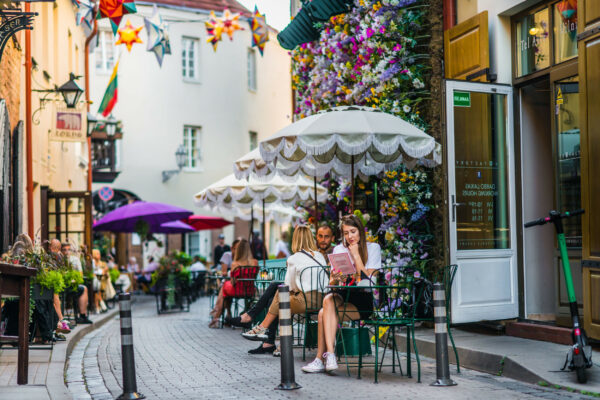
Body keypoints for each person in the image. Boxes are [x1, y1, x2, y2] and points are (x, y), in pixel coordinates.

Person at [302, 214, 382, 373]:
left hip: (363, 300)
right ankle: (330, 354)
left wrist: (356, 255)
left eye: (353, 232)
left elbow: (368, 282)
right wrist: (339, 276)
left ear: (360, 231)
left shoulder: (373, 248)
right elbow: (334, 279)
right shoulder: (339, 249)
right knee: (328, 299)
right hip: (343, 294)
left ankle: (320, 359)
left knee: (322, 313)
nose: (350, 236)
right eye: (346, 233)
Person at [241, 225, 328, 355]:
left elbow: (289, 286)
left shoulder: (293, 258)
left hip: (305, 301)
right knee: (280, 296)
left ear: (295, 239)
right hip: (321, 300)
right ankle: (268, 334)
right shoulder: (320, 256)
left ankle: (263, 328)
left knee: (281, 294)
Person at [209, 239, 257, 328]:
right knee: (225, 288)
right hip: (250, 290)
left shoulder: (235, 264)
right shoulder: (255, 262)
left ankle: (217, 316)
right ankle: (223, 315)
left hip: (237, 291)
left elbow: (233, 281)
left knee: (224, 288)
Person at [61, 242, 92, 324]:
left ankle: (82, 315)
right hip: (62, 285)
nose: (66, 252)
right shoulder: (59, 260)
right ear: (61, 251)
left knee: (84, 288)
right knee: (82, 289)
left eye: (68, 250)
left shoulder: (75, 259)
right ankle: (79, 316)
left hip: (73, 284)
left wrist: (75, 279)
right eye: (64, 250)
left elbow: (80, 274)